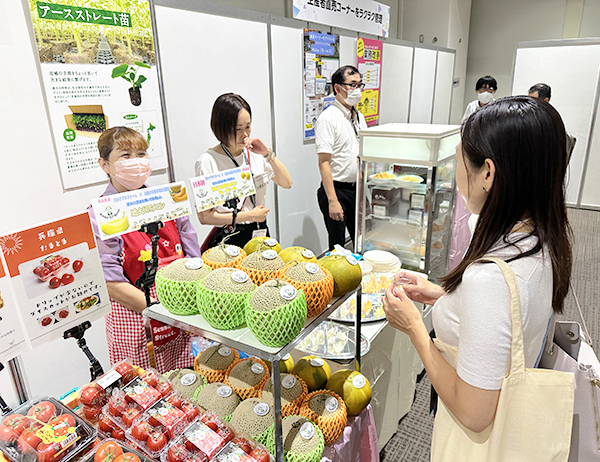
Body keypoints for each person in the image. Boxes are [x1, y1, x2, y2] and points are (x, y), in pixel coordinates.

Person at [383, 97, 572, 437]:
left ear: (487, 172)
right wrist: (442, 295)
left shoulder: (491, 278)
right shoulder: (541, 237)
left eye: (458, 160)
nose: (456, 173)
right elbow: (507, 320)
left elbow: (473, 412)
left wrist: (414, 326)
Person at [89, 126, 202, 372]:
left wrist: (186, 306)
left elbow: (193, 254)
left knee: (185, 378)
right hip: (134, 314)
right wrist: (160, 311)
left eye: (141, 153)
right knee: (145, 389)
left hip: (179, 305)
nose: (136, 162)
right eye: (125, 156)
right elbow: (110, 283)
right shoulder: (102, 214)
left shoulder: (168, 198)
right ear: (105, 164)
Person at [195, 93, 292, 249]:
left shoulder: (255, 154)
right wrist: (249, 216)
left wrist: (267, 154)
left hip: (259, 231)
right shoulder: (207, 161)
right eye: (237, 129)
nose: (245, 134)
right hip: (230, 236)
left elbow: (287, 183)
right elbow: (205, 217)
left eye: (248, 126)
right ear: (220, 128)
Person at [315, 65, 367, 250]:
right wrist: (333, 201)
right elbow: (324, 163)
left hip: (357, 190)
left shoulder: (358, 116)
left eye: (360, 85)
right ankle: (338, 280)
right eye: (352, 85)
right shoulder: (328, 119)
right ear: (337, 88)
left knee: (361, 242)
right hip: (336, 191)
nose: (357, 90)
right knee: (338, 248)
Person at [528, 82, 576, 161]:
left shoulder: (551, 119)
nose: (530, 104)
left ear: (546, 100)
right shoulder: (529, 116)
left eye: (534, 100)